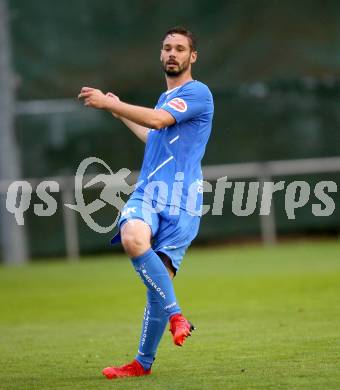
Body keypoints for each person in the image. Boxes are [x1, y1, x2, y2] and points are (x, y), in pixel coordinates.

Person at [78, 26, 214, 379]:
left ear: (192, 57)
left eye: (180, 48)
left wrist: (111, 102)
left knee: (158, 287)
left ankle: (142, 364)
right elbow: (154, 134)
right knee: (133, 238)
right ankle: (177, 316)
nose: (172, 53)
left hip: (183, 203)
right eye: (167, 47)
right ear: (160, 54)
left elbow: (157, 120)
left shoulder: (197, 93)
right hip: (150, 194)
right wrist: (120, 113)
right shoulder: (163, 98)